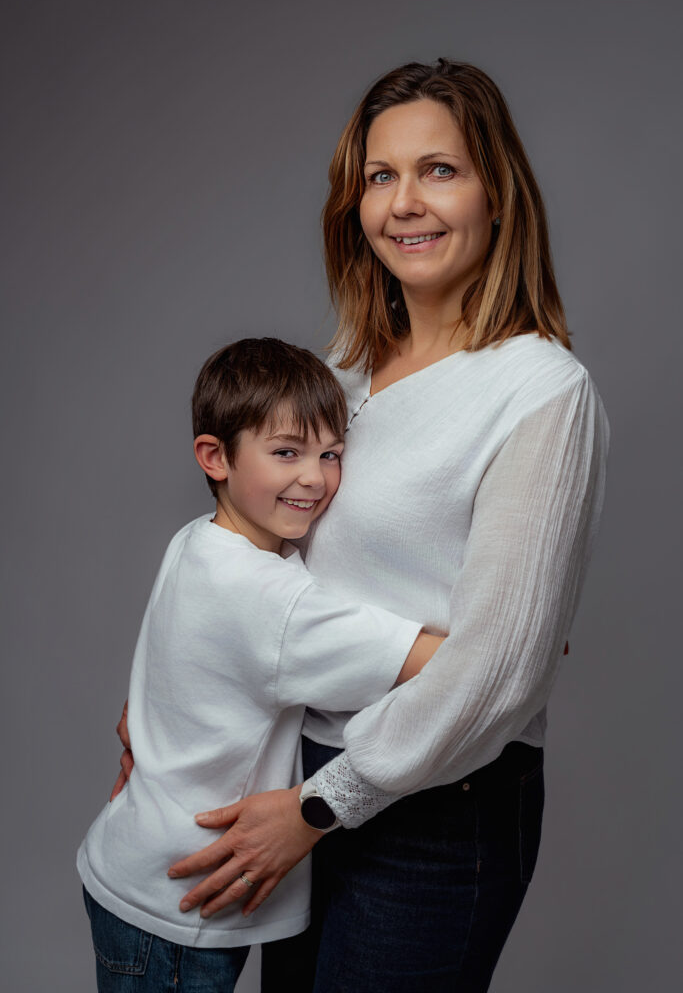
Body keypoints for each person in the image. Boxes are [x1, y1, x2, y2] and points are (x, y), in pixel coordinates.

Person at [118, 60, 609, 992]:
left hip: (430, 807)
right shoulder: (342, 373)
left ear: (497, 193)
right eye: (380, 176)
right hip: (300, 773)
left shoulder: (541, 391)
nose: (404, 203)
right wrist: (167, 700)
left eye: (439, 170)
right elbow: (246, 550)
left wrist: (315, 808)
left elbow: (501, 673)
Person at [78, 338, 445, 991]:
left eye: (330, 454)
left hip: (135, 864)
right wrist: (520, 634)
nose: (314, 476)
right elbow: (443, 663)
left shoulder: (198, 540)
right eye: (286, 452)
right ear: (214, 457)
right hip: (179, 902)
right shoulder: (269, 600)